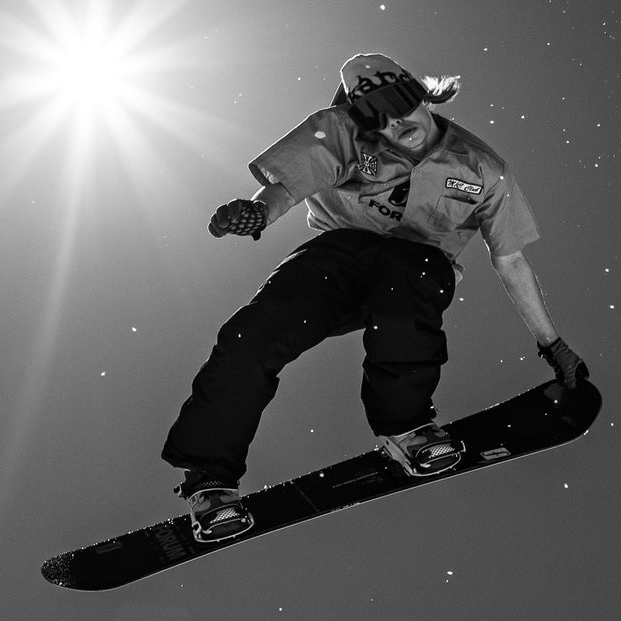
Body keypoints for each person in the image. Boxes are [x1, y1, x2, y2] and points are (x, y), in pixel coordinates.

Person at [161, 52, 584, 543]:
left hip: (416, 271)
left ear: (423, 95)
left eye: (401, 107)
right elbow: (286, 187)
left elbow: (509, 259)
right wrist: (258, 214)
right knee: (250, 336)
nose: (394, 125)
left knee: (410, 272)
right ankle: (210, 482)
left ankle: (408, 429)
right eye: (376, 118)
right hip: (339, 258)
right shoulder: (341, 132)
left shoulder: (485, 170)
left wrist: (552, 344)